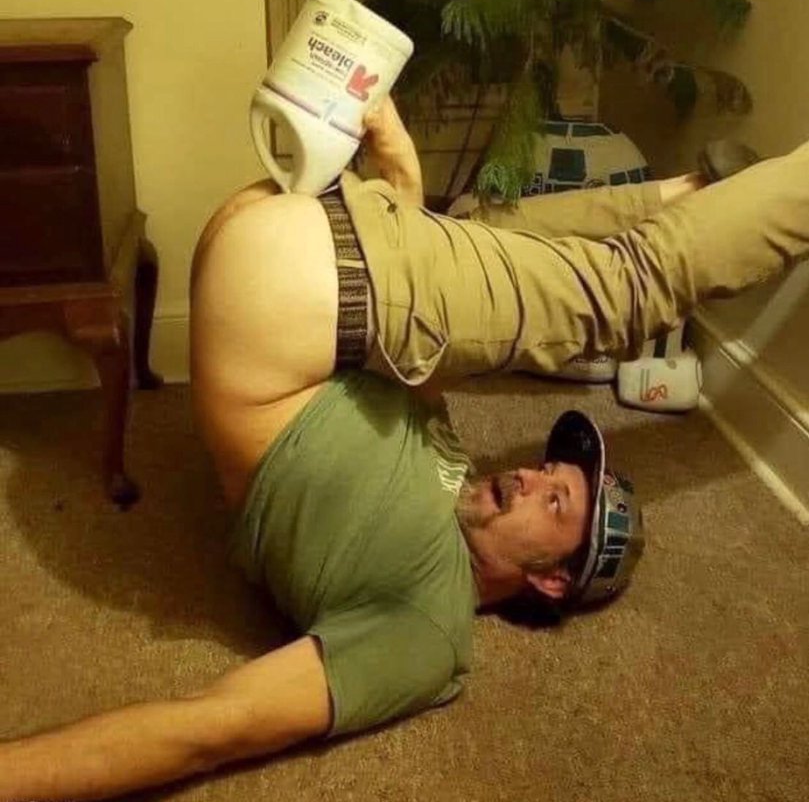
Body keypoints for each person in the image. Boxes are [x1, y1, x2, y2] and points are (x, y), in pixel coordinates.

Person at [2, 100, 805, 800]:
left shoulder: (427, 633)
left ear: (551, 579)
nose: (529, 475)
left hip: (309, 292)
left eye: (554, 500)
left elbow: (214, 725)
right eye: (546, 471)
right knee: (495, 239)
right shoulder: (448, 463)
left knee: (620, 294)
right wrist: (403, 185)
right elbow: (420, 342)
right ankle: (690, 191)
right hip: (342, 256)